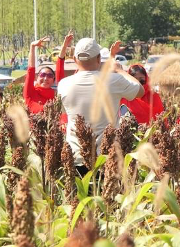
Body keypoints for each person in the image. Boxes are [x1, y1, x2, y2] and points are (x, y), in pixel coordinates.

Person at [57, 38, 144, 173]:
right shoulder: (113, 80)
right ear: (98, 58)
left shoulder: (63, 84)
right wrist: (120, 71)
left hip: (75, 157)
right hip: (106, 157)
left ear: (74, 59)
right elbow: (140, 91)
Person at [24, 35, 59, 114]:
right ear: (37, 77)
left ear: (54, 80)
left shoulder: (57, 97)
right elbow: (30, 70)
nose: (46, 78)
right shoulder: (30, 93)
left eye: (50, 76)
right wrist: (32, 47)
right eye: (43, 75)